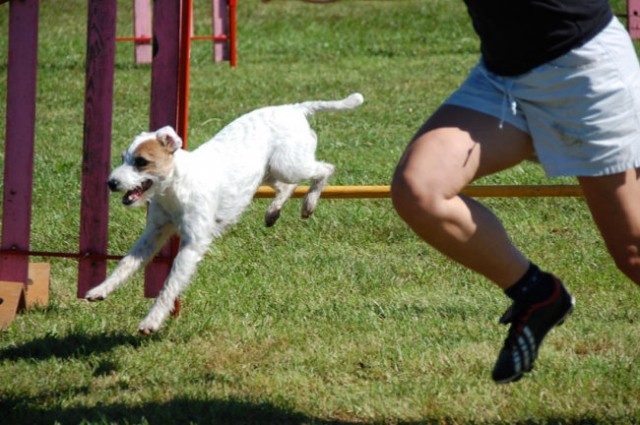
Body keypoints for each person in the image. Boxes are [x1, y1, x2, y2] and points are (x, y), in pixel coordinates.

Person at [391, 0, 640, 384]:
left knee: (633, 254)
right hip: (503, 79)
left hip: (584, 73)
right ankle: (538, 294)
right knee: (420, 190)